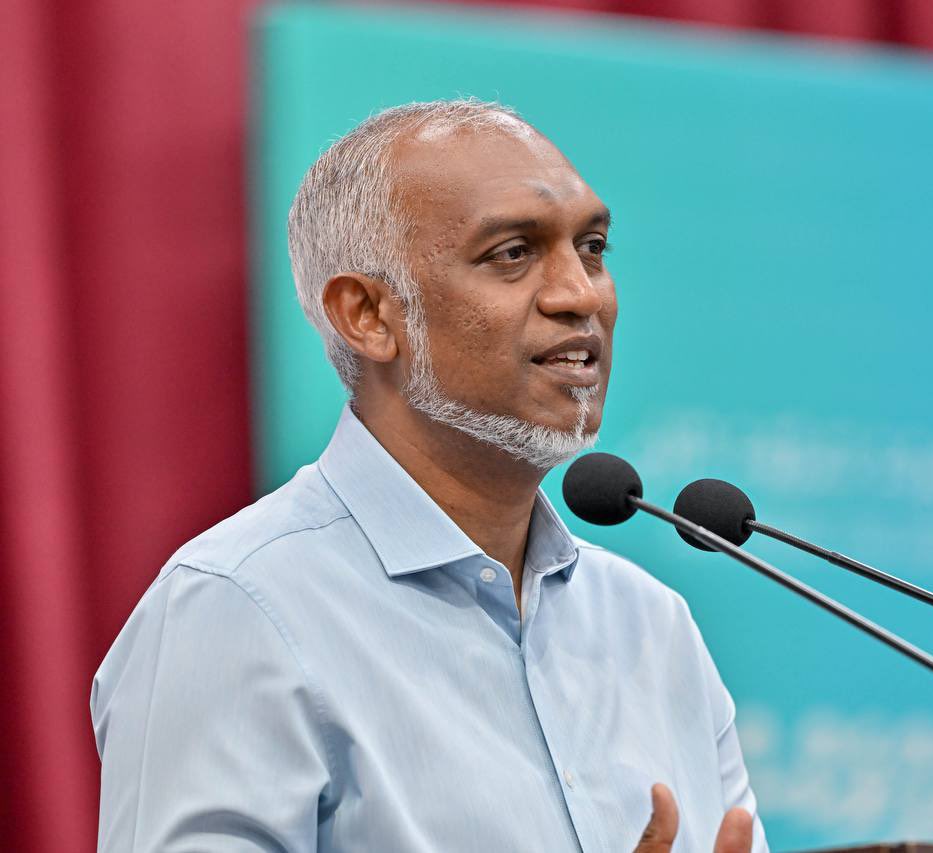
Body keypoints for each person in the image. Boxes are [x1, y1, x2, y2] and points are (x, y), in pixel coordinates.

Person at [91, 99, 768, 853]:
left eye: (593, 247)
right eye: (513, 253)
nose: (581, 294)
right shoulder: (236, 608)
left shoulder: (652, 625)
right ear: (367, 315)